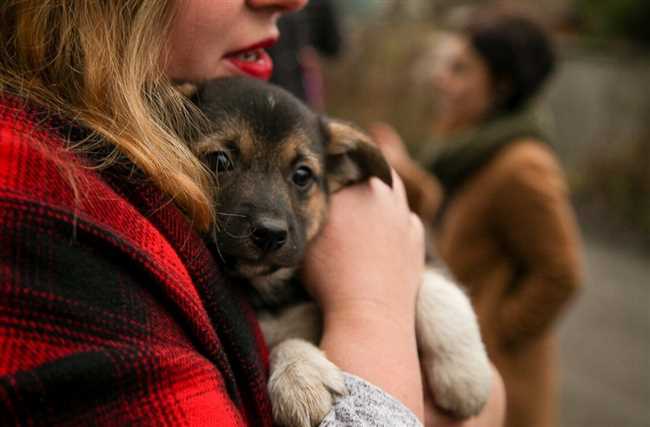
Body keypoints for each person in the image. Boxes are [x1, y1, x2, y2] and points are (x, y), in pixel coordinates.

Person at [0, 1, 504, 425]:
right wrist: (372, 310)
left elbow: (477, 395)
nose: (292, 0)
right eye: (220, 162)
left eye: (301, 176)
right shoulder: (45, 203)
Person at [372, 8, 583, 427]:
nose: (442, 80)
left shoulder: (523, 165)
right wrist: (404, 173)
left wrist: (496, 334)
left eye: (461, 70)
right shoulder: (474, 150)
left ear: (501, 87)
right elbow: (458, 220)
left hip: (500, 390)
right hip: (463, 366)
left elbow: (562, 273)